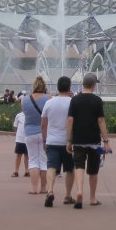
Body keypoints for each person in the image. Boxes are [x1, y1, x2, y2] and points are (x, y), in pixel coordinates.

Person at [67, 73, 109, 209]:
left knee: (78, 166)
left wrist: (69, 140)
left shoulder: (74, 100)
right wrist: (106, 140)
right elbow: (101, 121)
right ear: (93, 85)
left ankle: (79, 191)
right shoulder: (97, 100)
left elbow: (70, 120)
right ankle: (92, 198)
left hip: (78, 139)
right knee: (93, 170)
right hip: (94, 140)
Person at [41, 76, 76, 206]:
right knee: (69, 169)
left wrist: (44, 140)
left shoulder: (49, 102)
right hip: (68, 142)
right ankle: (67, 195)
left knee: (51, 167)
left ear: (57, 87)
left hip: (52, 140)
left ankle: (50, 191)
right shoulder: (72, 102)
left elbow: (43, 124)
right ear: (69, 87)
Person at [22, 76, 50, 195]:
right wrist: (48, 94)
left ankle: (34, 188)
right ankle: (43, 187)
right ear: (44, 88)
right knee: (43, 161)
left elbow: (24, 112)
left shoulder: (24, 99)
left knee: (32, 160)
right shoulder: (48, 98)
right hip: (44, 133)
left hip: (29, 132)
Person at [11, 107, 29, 177]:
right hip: (20, 139)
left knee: (27, 155)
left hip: (27, 138)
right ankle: (16, 171)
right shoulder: (19, 115)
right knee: (19, 155)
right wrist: (18, 134)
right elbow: (15, 126)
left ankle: (27, 171)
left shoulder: (30, 115)